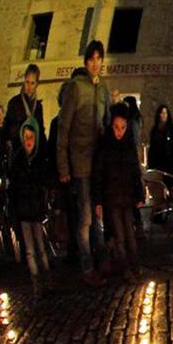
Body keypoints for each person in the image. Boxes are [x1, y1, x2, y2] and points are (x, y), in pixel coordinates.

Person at [57, 40, 112, 285]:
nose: (96, 64)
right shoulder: (76, 88)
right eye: (92, 59)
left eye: (99, 59)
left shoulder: (103, 88)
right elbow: (64, 127)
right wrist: (63, 166)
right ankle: (88, 265)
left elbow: (106, 122)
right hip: (80, 163)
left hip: (98, 162)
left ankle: (102, 258)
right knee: (86, 217)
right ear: (86, 61)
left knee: (98, 214)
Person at [92, 104, 144, 278]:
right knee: (119, 235)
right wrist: (98, 201)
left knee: (130, 233)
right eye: (116, 127)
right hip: (112, 199)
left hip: (127, 197)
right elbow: (98, 175)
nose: (119, 132)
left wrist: (139, 194)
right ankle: (125, 267)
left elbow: (135, 172)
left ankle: (135, 264)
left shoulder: (129, 146)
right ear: (111, 126)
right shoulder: (104, 147)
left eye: (123, 127)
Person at [7, 117, 52, 292]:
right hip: (24, 211)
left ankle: (47, 278)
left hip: (37, 210)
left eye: (31, 137)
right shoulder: (18, 159)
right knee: (30, 250)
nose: (28, 141)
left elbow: (44, 182)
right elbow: (13, 188)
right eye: (26, 137)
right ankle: (37, 284)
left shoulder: (39, 159)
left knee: (40, 247)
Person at [4, 63, 46, 157]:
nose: (29, 87)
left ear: (37, 84)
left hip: (33, 154)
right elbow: (6, 129)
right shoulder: (14, 103)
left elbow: (40, 131)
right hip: (17, 152)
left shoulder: (38, 107)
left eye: (32, 83)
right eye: (27, 82)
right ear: (24, 81)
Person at [147, 104, 173, 176]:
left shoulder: (172, 129)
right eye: (162, 113)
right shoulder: (155, 130)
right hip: (157, 162)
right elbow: (152, 147)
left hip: (169, 162)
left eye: (165, 113)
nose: (164, 115)